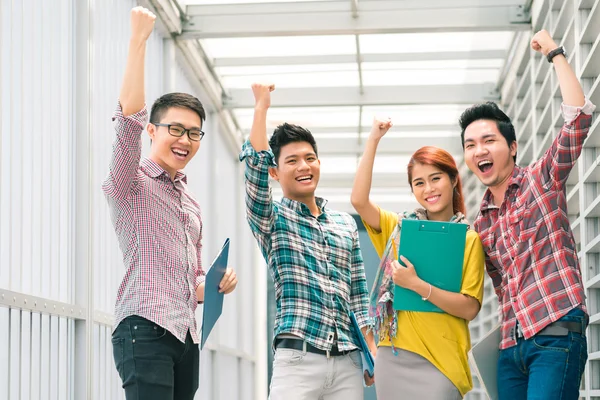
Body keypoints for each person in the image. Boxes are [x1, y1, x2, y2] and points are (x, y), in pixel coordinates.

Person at [103, 7, 238, 400]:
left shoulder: (190, 204)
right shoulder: (129, 182)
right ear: (152, 130)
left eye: (194, 133)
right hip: (143, 326)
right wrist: (138, 41)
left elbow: (193, 278)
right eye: (175, 129)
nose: (185, 140)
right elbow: (127, 123)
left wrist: (212, 284)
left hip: (186, 333)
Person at [459, 29, 595, 400]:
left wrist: (555, 53)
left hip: (553, 334)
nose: (479, 150)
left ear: (512, 147)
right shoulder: (480, 223)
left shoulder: (542, 179)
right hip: (509, 348)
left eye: (488, 140)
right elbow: (497, 287)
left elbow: (578, 121)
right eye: (470, 145)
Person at [240, 83, 375, 400]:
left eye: (310, 158)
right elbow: (254, 167)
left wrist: (371, 353)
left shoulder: (344, 224)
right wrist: (261, 107)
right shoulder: (271, 220)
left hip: (348, 362)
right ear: (276, 172)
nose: (304, 166)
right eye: (292, 161)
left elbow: (358, 296)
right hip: (297, 360)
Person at [351, 118, 485, 399]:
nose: (429, 189)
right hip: (393, 355)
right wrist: (373, 139)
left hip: (441, 360)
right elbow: (359, 201)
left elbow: (469, 308)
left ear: (452, 180)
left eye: (436, 178)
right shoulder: (399, 229)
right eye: (419, 183)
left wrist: (416, 284)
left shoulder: (469, 239)